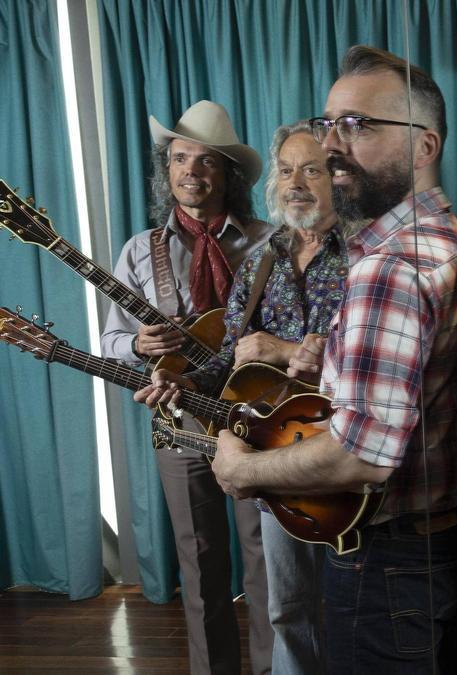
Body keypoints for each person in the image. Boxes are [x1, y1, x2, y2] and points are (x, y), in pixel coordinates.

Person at [210, 46, 457, 673]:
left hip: (388, 556)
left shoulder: (391, 266)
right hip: (439, 540)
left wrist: (245, 469)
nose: (334, 142)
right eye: (330, 122)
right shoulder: (448, 233)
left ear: (424, 147)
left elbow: (359, 454)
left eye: (361, 125)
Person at [137, 121, 346, 674]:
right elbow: (230, 360)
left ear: (339, 177)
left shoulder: (370, 255)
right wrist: (182, 382)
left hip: (352, 456)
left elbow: (395, 353)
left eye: (312, 169)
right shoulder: (263, 261)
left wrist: (288, 348)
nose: (296, 182)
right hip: (275, 454)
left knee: (355, 609)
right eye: (286, 171)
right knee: (288, 610)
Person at [100, 100, 273, 675]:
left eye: (204, 161)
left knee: (267, 562)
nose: (190, 171)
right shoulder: (137, 250)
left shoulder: (269, 243)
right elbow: (110, 340)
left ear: (228, 175)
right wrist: (138, 346)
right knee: (199, 565)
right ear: (166, 170)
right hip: (179, 421)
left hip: (259, 420)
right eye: (179, 159)